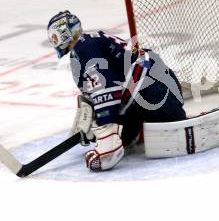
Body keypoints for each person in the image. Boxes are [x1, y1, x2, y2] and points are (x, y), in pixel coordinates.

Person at [47, 11, 186, 171]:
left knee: (175, 130)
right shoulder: (81, 50)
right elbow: (97, 90)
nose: (54, 42)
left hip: (154, 85)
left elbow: (105, 88)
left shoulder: (84, 47)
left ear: (65, 32)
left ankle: (160, 122)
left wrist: (106, 132)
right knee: (124, 139)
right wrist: (93, 122)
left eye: (55, 37)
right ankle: (140, 127)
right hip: (140, 94)